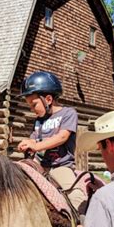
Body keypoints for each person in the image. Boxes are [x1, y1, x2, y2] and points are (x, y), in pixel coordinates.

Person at [17, 70, 85, 212]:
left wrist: (35, 146)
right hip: (40, 165)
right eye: (29, 105)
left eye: (33, 104)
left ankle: (82, 226)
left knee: (76, 195)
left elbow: (62, 137)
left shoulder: (68, 113)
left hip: (60, 166)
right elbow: (34, 139)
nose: (31, 109)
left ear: (48, 99)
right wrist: (27, 143)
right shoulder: (39, 121)